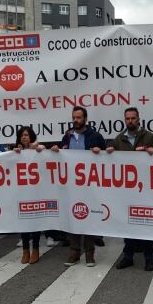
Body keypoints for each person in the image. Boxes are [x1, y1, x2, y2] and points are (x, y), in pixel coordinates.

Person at [50, 106, 106, 267]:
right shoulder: (67, 137)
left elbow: (108, 158)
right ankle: (74, 252)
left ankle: (89, 253)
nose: (76, 120)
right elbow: (62, 154)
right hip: (70, 185)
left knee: (88, 217)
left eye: (79, 117)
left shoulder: (95, 136)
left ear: (85, 119)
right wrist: (56, 150)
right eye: (74, 117)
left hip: (90, 185)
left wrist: (100, 152)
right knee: (73, 216)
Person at [107, 107, 153, 272]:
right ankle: (128, 256)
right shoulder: (118, 140)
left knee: (145, 224)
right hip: (127, 190)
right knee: (128, 224)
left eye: (133, 118)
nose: (130, 121)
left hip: (145, 189)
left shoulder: (148, 136)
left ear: (138, 119)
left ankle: (149, 258)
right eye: (127, 119)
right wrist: (108, 153)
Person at [13, 126, 43, 264]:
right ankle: (25, 250)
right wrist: (14, 153)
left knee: (35, 220)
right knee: (24, 221)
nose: (24, 137)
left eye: (26, 135)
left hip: (35, 190)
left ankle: (35, 249)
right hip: (21, 192)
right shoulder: (15, 151)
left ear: (31, 137)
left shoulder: (37, 149)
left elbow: (43, 149)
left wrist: (37, 148)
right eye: (22, 135)